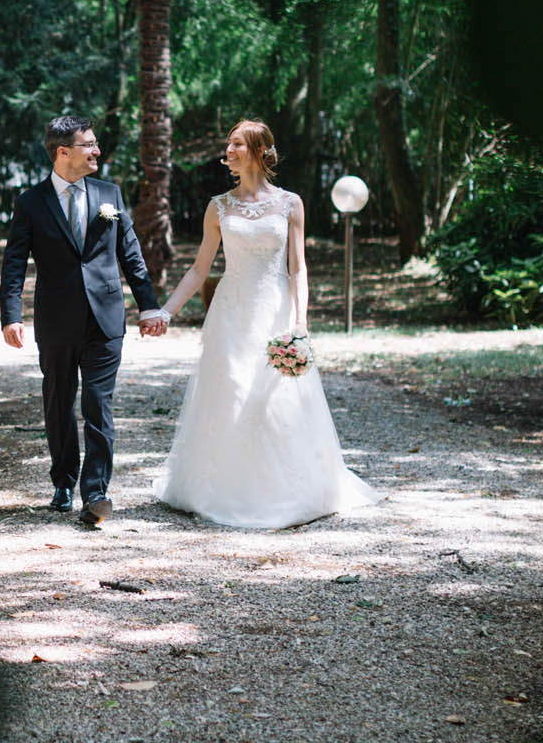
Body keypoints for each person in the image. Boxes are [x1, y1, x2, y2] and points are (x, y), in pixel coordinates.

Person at [151, 119, 378, 528]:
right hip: (231, 314)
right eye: (229, 144)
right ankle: (226, 488)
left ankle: (285, 489)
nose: (229, 150)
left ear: (259, 150)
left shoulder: (290, 203)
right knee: (232, 391)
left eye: (237, 144)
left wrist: (300, 324)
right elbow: (199, 270)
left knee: (276, 399)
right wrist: (166, 311)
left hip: (275, 311)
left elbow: (298, 269)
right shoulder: (218, 207)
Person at [0, 115, 168, 527]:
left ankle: (96, 491)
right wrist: (11, 315)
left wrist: (148, 306)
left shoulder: (109, 195)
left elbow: (130, 254)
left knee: (98, 403)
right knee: (58, 403)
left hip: (105, 320)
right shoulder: (31, 202)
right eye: (88, 144)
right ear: (63, 152)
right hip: (56, 321)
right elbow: (15, 262)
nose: (96, 151)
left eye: (95, 143)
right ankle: (62, 482)